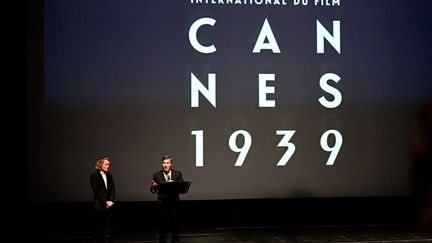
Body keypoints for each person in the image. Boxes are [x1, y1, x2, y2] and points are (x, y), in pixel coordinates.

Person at [150, 155, 184, 243]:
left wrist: (174, 184)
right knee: (162, 227)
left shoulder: (177, 174)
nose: (165, 165)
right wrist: (153, 187)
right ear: (162, 164)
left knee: (175, 226)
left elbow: (182, 188)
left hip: (174, 204)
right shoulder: (157, 175)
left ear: (171, 164)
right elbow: (153, 190)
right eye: (164, 163)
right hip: (162, 205)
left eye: (168, 163)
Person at [90, 156, 116, 243]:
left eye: (109, 164)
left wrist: (111, 201)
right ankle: (96, 238)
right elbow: (97, 191)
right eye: (106, 164)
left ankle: (107, 238)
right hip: (99, 203)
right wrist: (105, 202)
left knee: (108, 222)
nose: (108, 166)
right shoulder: (94, 176)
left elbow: (113, 189)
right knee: (97, 223)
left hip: (109, 203)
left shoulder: (109, 175)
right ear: (101, 165)